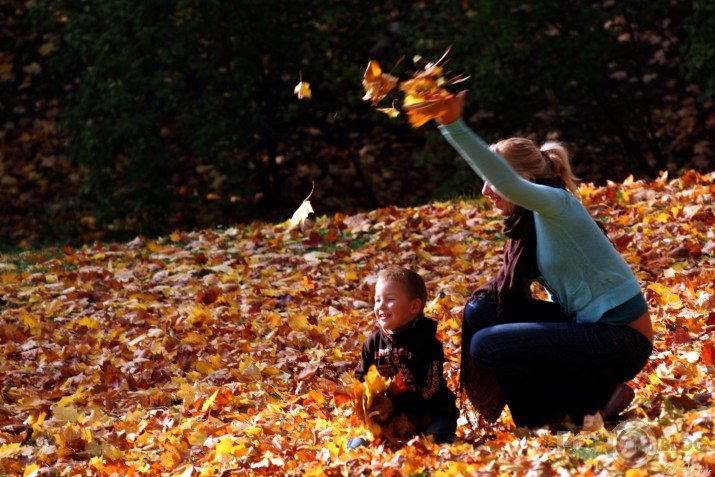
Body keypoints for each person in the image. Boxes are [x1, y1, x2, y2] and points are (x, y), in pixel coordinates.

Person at [413, 91, 654, 428]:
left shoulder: (556, 204)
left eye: (491, 183)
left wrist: (452, 125)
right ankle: (538, 417)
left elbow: (505, 181)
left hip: (622, 340)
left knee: (487, 345)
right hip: (588, 328)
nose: (485, 192)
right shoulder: (529, 224)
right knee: (482, 311)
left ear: (521, 184)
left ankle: (594, 401)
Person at [351, 267, 459, 446]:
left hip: (429, 411)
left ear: (414, 306)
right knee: (358, 445)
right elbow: (360, 378)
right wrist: (369, 400)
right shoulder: (372, 343)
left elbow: (430, 389)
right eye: (377, 300)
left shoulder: (427, 344)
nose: (381, 306)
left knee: (434, 439)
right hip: (389, 415)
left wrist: (395, 404)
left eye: (390, 299)